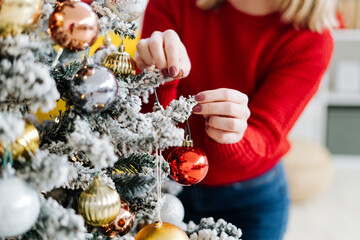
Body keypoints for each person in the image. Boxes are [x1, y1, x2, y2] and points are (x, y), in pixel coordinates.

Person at [135, 0, 336, 239]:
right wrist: (157, 77)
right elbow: (149, 132)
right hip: (164, 188)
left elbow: (265, 137)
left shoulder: (311, 40)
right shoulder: (173, 4)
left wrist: (233, 134)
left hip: (250, 201)